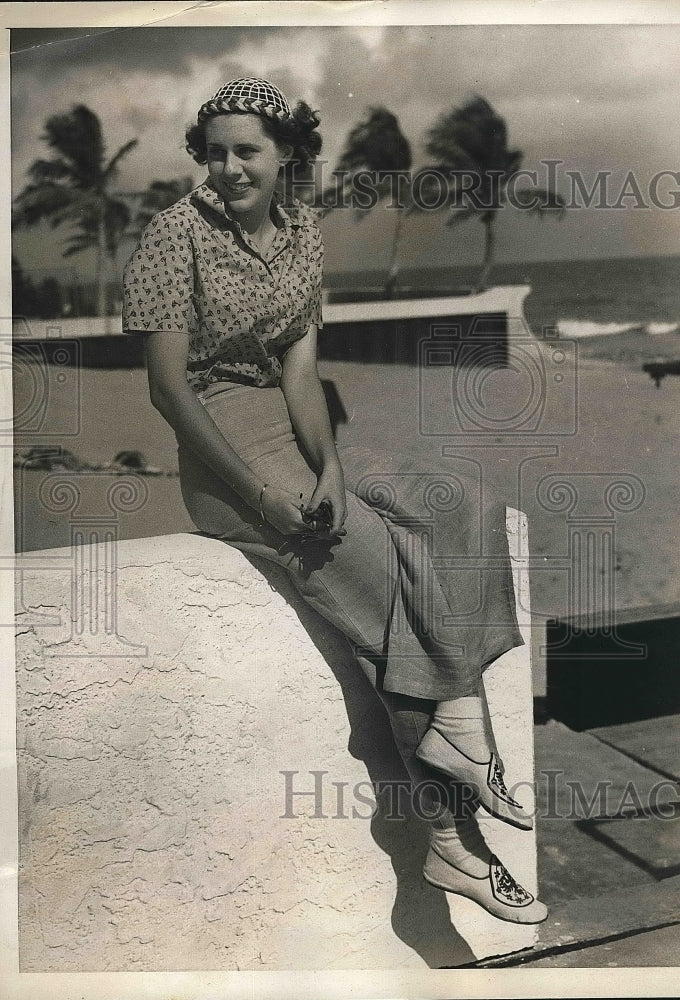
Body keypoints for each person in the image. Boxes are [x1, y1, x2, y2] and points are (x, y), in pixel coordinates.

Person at [122, 77, 547, 925]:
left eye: (247, 151)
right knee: (383, 581)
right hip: (221, 450)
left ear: (287, 156)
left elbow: (302, 373)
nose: (228, 168)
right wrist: (259, 496)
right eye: (214, 153)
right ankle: (453, 844)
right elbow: (169, 391)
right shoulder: (175, 234)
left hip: (294, 430)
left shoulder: (302, 235)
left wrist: (329, 470)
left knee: (458, 500)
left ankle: (458, 718)